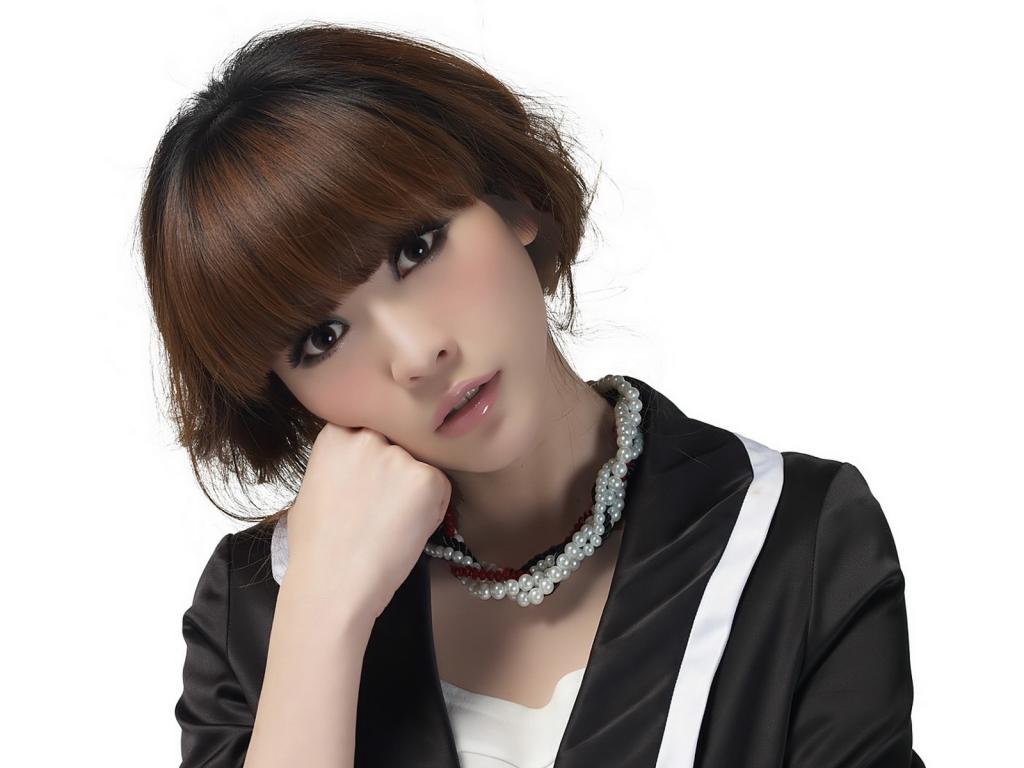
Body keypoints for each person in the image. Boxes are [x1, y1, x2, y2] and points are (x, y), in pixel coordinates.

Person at [139, 22, 926, 768]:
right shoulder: (259, 604)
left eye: (416, 248)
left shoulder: (792, 537)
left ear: (510, 199)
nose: (417, 355)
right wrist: (320, 619)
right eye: (322, 338)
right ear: (284, 394)